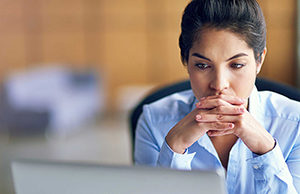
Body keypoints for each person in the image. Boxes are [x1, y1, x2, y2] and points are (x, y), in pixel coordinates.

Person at [134, 0, 300, 193]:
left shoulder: (295, 123)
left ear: (259, 60)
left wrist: (266, 150)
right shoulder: (153, 121)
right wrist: (174, 148)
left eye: (236, 65)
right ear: (185, 61)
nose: (219, 85)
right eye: (202, 65)